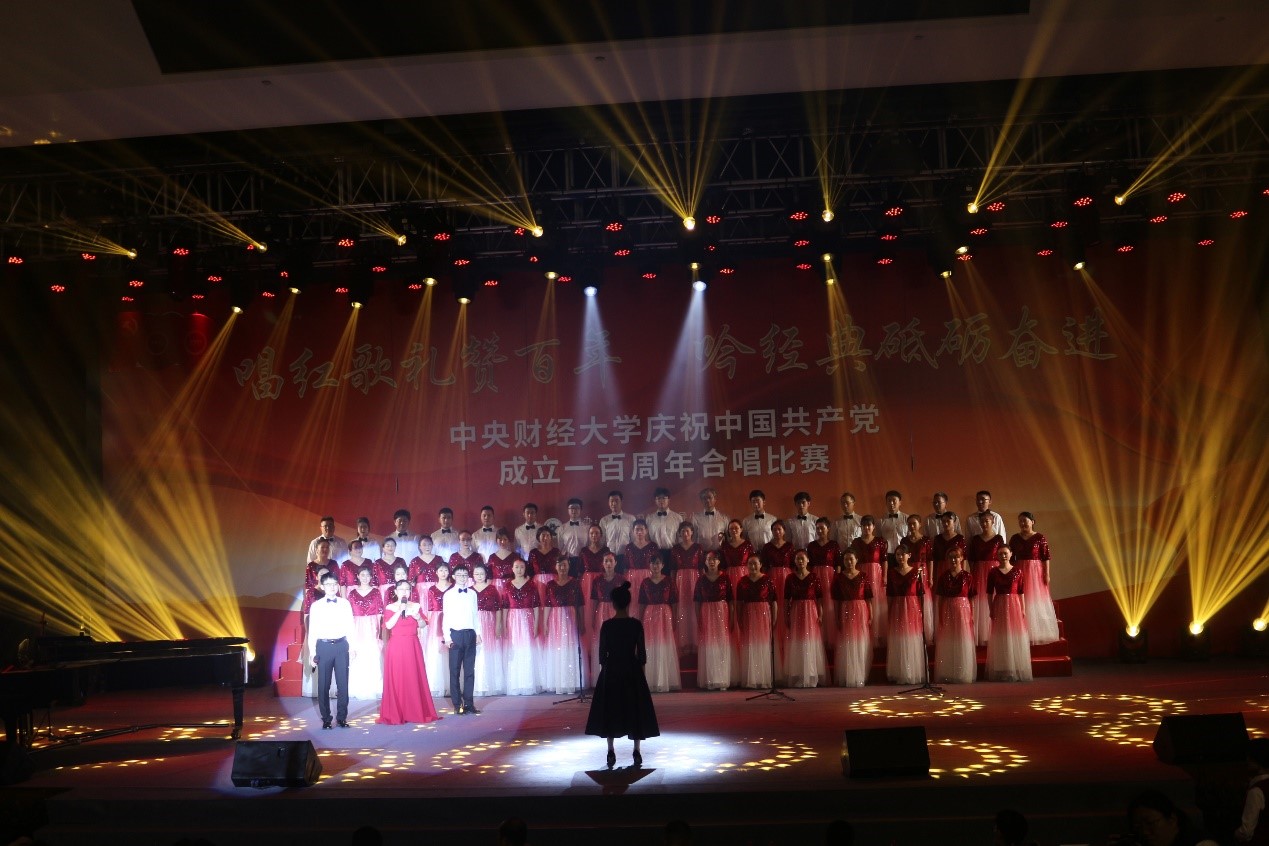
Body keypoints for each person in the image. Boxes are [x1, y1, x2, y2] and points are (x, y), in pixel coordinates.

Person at [585, 581, 660, 769]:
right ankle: (636, 750)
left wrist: (606, 672)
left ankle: (610, 750)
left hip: (612, 671)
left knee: (611, 709)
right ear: (628, 603)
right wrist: (641, 678)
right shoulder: (636, 624)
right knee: (634, 709)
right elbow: (641, 655)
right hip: (632, 670)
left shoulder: (607, 626)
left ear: (613, 604)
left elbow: (602, 656)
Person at [377, 580, 440, 724]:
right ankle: (397, 712)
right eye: (401, 589)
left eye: (407, 589)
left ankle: (414, 711)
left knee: (413, 676)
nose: (404, 592)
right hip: (396, 645)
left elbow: (423, 625)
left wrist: (418, 617)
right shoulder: (390, 607)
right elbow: (388, 625)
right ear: (396, 592)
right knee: (397, 678)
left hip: (412, 644)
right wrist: (400, 610)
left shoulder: (416, 606)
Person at [308, 572, 354, 729]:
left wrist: (352, 647)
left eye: (335, 584)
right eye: (328, 584)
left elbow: (350, 626)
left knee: (343, 685)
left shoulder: (345, 604)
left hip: (342, 645)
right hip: (324, 647)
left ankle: (342, 718)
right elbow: (313, 631)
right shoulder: (316, 606)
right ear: (322, 586)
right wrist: (312, 653)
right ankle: (326, 719)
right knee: (323, 685)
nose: (332, 587)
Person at [1009, 512, 1060, 645]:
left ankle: (1036, 632)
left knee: (1035, 599)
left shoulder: (1040, 537)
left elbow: (1046, 557)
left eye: (1025, 520)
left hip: (1035, 572)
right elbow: (1011, 558)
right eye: (1020, 521)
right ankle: (1020, 631)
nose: (1022, 523)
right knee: (1021, 599)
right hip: (1019, 570)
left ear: (1032, 522)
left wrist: (1047, 573)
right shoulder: (1014, 538)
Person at [540, 556, 586, 694]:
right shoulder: (550, 584)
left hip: (570, 617)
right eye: (560, 565)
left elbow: (580, 605)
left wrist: (582, 622)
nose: (562, 568)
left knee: (570, 647)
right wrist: (545, 623)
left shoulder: (575, 583)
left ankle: (570, 681)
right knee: (557, 648)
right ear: (556, 567)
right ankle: (558, 682)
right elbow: (547, 605)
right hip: (555, 619)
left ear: (569, 566)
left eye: (565, 565)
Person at [986, 546, 1031, 682]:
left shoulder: (1018, 571)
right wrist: (991, 608)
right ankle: (1003, 667)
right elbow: (989, 593)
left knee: (1014, 635)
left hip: (1014, 605)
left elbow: (1021, 592)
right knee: (1001, 635)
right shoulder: (993, 572)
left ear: (1011, 554)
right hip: (999, 604)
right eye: (1000, 554)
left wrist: (1023, 609)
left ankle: (1015, 667)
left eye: (1005, 553)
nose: (1003, 556)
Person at [783, 550, 827, 687]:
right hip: (796, 610)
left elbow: (819, 598)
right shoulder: (790, 578)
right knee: (798, 641)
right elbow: (786, 599)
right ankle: (800, 674)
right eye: (798, 559)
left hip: (811, 611)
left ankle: (811, 675)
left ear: (808, 560)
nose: (800, 561)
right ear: (795, 561)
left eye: (802, 558)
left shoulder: (814, 577)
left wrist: (820, 614)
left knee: (810, 641)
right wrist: (786, 615)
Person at [638, 556, 681, 692]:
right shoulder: (645, 582)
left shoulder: (669, 581)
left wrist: (674, 618)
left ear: (662, 565)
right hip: (649, 615)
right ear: (649, 565)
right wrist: (640, 620)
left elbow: (674, 602)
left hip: (665, 614)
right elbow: (641, 603)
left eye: (657, 563)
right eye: (652, 563)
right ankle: (651, 680)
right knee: (650, 645)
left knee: (664, 644)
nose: (655, 566)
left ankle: (664, 680)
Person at [934, 548, 977, 684]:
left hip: (963, 610)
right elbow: (940, 599)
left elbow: (971, 598)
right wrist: (940, 615)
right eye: (950, 557)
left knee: (962, 639)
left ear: (961, 558)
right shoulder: (943, 576)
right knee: (948, 640)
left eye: (956, 557)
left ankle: (962, 672)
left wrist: (972, 614)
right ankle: (948, 672)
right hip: (947, 610)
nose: (953, 560)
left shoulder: (968, 576)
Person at [693, 550, 735, 690]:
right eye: (708, 559)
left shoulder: (725, 578)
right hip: (706, 613)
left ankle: (722, 679)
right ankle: (709, 679)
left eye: (714, 559)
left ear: (719, 561)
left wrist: (731, 618)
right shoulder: (701, 580)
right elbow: (697, 602)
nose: (711, 561)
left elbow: (731, 601)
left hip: (721, 612)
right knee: (709, 645)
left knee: (721, 644)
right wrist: (699, 618)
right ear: (705, 562)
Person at [443, 566, 481, 714]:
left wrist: (478, 633)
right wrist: (447, 637)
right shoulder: (448, 594)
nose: (462, 577)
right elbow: (446, 616)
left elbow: (475, 615)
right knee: (455, 671)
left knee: (470, 671)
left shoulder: (472, 593)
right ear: (453, 576)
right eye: (459, 575)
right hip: (455, 635)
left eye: (465, 575)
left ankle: (469, 704)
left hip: (470, 633)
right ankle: (457, 704)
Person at [1120, 790, 1220, 846]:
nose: (1144, 832)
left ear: (1172, 819)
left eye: (1150, 823)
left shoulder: (1202, 844)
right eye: (1137, 827)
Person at [735, 556, 778, 688]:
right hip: (748, 615)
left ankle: (763, 678)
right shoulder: (742, 581)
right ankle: (751, 678)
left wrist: (774, 619)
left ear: (760, 564)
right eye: (750, 563)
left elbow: (774, 602)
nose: (752, 566)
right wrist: (739, 619)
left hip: (763, 615)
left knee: (763, 645)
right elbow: (739, 603)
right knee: (750, 645)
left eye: (755, 563)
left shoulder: (768, 580)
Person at [886, 547, 926, 685]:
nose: (900, 557)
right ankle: (900, 672)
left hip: (912, 607)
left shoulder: (916, 572)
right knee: (899, 638)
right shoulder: (891, 573)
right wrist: (889, 611)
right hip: (897, 607)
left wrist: (921, 611)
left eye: (903, 554)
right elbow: (889, 594)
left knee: (911, 638)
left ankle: (912, 672)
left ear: (909, 555)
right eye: (897, 554)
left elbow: (920, 593)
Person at [831, 549, 872, 688]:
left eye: (851, 559)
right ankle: (848, 675)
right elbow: (836, 600)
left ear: (856, 560)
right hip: (845, 610)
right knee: (847, 642)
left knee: (860, 642)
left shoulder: (863, 576)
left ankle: (859, 674)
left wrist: (871, 614)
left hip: (860, 610)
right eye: (846, 559)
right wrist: (837, 617)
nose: (849, 562)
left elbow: (868, 597)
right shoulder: (838, 578)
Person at [501, 558, 541, 696]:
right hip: (513, 620)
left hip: (527, 619)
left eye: (522, 567)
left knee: (527, 649)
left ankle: (528, 683)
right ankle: (515, 683)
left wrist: (536, 624)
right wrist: (504, 625)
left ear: (525, 569)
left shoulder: (532, 585)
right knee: (514, 650)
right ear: (512, 569)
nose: (519, 570)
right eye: (516, 567)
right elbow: (505, 607)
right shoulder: (507, 586)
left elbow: (536, 606)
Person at [968, 515, 1008, 645]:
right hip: (979, 572)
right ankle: (982, 633)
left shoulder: (998, 538)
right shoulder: (975, 539)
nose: (984, 524)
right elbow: (971, 559)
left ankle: (996, 633)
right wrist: (973, 573)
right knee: (981, 600)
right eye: (982, 521)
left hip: (994, 571)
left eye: (987, 521)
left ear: (992, 522)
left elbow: (1003, 556)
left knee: (993, 598)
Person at [346, 565, 384, 700]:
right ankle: (357, 687)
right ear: (357, 576)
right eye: (362, 575)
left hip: (372, 625)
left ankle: (374, 687)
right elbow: (349, 614)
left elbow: (380, 612)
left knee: (372, 654)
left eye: (368, 575)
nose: (365, 578)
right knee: (358, 655)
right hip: (356, 626)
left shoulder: (376, 592)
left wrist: (378, 630)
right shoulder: (352, 593)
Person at [850, 516, 889, 646]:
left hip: (876, 573)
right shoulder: (856, 542)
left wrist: (885, 576)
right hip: (861, 573)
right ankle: (865, 633)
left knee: (876, 602)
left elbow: (884, 560)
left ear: (873, 527)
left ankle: (877, 634)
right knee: (863, 601)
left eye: (869, 525)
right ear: (861, 527)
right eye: (864, 525)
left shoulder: (880, 541)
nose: (866, 528)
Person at [670, 521, 705, 655]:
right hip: (680, 580)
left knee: (694, 608)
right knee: (682, 610)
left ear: (692, 532)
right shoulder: (675, 549)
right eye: (682, 531)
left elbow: (701, 567)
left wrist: (702, 583)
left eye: (687, 531)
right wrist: (673, 585)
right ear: (679, 533)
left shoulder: (698, 547)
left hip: (695, 579)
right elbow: (673, 569)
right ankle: (683, 643)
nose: (685, 533)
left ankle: (696, 643)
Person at [806, 516, 841, 651]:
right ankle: (818, 638)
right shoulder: (811, 546)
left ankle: (830, 639)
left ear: (828, 529)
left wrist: (836, 578)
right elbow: (809, 565)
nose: (819, 531)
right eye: (817, 528)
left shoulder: (834, 545)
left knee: (829, 604)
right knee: (817, 604)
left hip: (829, 576)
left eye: (822, 528)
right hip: (815, 576)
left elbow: (838, 563)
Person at [471, 563, 505, 697]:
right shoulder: (469, 590)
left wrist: (498, 625)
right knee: (476, 653)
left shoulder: (492, 589)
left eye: (482, 574)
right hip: (474, 623)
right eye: (476, 574)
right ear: (473, 575)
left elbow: (498, 609)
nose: (479, 576)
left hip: (489, 622)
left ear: (486, 575)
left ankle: (491, 684)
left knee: (489, 651)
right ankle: (477, 685)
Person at [589, 551, 623, 683]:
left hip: (616, 611)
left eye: (611, 561)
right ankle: (601, 675)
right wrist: (593, 618)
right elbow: (594, 601)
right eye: (606, 561)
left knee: (617, 641)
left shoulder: (621, 579)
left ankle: (618, 674)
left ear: (615, 563)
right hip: (601, 611)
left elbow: (625, 600)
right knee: (602, 641)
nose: (608, 563)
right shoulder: (597, 580)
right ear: (602, 564)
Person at [902, 514, 935, 643]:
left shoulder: (926, 540)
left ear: (919, 524)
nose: (911, 526)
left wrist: (930, 577)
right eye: (909, 524)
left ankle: (925, 632)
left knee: (924, 600)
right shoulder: (904, 541)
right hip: (909, 571)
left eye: (914, 523)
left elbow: (930, 559)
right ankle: (913, 630)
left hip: (923, 571)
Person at [423, 563, 452, 698]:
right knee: (437, 650)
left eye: (446, 570)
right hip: (435, 620)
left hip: (451, 618)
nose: (443, 573)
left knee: (450, 651)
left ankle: (451, 685)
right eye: (441, 570)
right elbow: (429, 609)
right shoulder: (432, 589)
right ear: (436, 572)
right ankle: (438, 684)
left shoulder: (453, 587)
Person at [1234, 737, 1269, 844]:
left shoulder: (1257, 791)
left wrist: (1235, 834)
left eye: (1250, 757)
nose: (1247, 760)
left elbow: (1246, 832)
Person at [624, 519, 660, 600]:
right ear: (633, 531)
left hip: (649, 576)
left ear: (646, 530)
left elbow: (657, 564)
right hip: (632, 578)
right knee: (633, 599)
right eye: (637, 529)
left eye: (642, 529)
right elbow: (626, 566)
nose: (639, 532)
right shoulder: (628, 547)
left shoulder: (653, 546)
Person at [645, 487, 684, 554]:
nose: (661, 500)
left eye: (664, 498)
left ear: (668, 500)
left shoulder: (677, 518)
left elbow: (680, 538)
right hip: (654, 552)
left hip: (673, 552)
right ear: (655, 501)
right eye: (658, 498)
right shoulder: (649, 519)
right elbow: (647, 538)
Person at [721, 519, 755, 591]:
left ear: (741, 529)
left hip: (744, 574)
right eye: (731, 529)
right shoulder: (725, 546)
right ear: (728, 531)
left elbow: (752, 561)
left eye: (736, 528)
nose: (734, 530)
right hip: (729, 575)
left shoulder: (747, 544)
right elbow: (723, 564)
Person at [691, 487, 729, 553]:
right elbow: (693, 539)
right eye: (704, 498)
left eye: (709, 497)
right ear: (701, 501)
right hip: (702, 554)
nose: (707, 500)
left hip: (720, 553)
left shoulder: (724, 518)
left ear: (715, 499)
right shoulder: (695, 518)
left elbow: (728, 538)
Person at [557, 497, 589, 575]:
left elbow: (589, 545)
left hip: (583, 560)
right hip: (568, 561)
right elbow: (560, 547)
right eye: (571, 508)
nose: (574, 511)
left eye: (577, 508)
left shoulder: (587, 527)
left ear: (580, 510)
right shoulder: (562, 528)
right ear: (568, 510)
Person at [528, 526, 561, 593]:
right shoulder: (533, 552)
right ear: (538, 537)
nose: (545, 538)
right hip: (538, 582)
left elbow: (560, 568)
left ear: (551, 537)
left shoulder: (556, 552)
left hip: (553, 581)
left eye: (548, 535)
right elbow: (529, 569)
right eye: (543, 535)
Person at [487, 528, 522, 592]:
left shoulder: (514, 556)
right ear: (496, 540)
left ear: (508, 540)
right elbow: (489, 576)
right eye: (500, 539)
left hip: (511, 586)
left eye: (505, 539)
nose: (502, 542)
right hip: (496, 587)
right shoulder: (492, 557)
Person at [877, 490, 908, 557]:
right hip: (887, 555)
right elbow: (879, 540)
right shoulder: (880, 521)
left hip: (903, 554)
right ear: (886, 503)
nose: (891, 503)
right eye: (889, 500)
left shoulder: (907, 519)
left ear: (900, 502)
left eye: (894, 500)